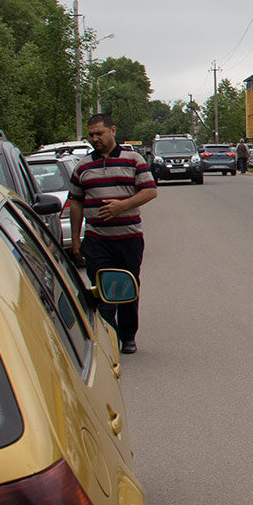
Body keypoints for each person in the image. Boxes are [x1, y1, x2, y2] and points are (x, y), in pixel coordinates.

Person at [69, 113, 157, 354]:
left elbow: (149, 191)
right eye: (91, 135)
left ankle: (129, 336)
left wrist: (122, 206)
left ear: (113, 131)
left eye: (100, 133)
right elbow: (75, 202)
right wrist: (76, 240)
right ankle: (109, 337)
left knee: (127, 286)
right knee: (103, 288)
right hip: (97, 240)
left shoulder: (133, 159)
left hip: (128, 239)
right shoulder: (83, 166)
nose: (95, 139)